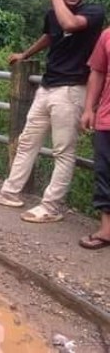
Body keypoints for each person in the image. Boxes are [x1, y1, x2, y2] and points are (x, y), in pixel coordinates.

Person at [0, 0, 105, 223]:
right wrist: (25, 55)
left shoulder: (92, 12)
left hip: (72, 89)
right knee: (27, 141)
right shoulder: (53, 13)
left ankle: (52, 206)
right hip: (47, 86)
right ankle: (10, 192)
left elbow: (69, 23)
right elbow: (50, 35)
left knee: (63, 150)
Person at [79, 28, 110, 249]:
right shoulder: (107, 35)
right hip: (107, 119)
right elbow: (98, 71)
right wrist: (89, 108)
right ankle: (107, 229)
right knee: (104, 174)